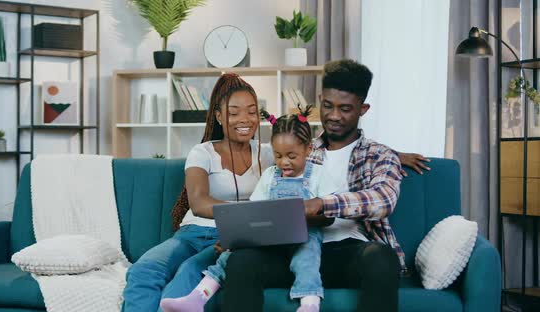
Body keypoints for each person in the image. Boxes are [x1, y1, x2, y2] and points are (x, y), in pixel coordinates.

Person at [221, 59, 408, 312]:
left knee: (381, 258)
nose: (333, 116)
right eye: (328, 105)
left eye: (345, 109)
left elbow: (383, 200)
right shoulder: (297, 148)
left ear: (363, 109)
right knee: (240, 260)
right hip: (290, 252)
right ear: (320, 99)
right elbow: (265, 202)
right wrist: (241, 236)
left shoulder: (380, 155)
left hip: (344, 253)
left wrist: (321, 204)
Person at [160, 106, 342, 312]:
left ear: (308, 149)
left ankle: (309, 304)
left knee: (307, 257)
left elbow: (329, 215)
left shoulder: (318, 174)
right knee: (231, 254)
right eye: (278, 155)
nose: (284, 162)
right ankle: (198, 297)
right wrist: (236, 238)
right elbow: (255, 210)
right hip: (271, 237)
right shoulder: (271, 175)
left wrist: (302, 216)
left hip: (304, 236)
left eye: (292, 155)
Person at [122, 73, 273, 311]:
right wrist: (251, 213)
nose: (244, 119)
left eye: (252, 112)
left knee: (187, 275)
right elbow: (199, 202)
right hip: (192, 233)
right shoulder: (202, 152)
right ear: (219, 117)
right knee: (144, 270)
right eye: (234, 113)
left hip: (231, 238)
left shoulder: (269, 153)